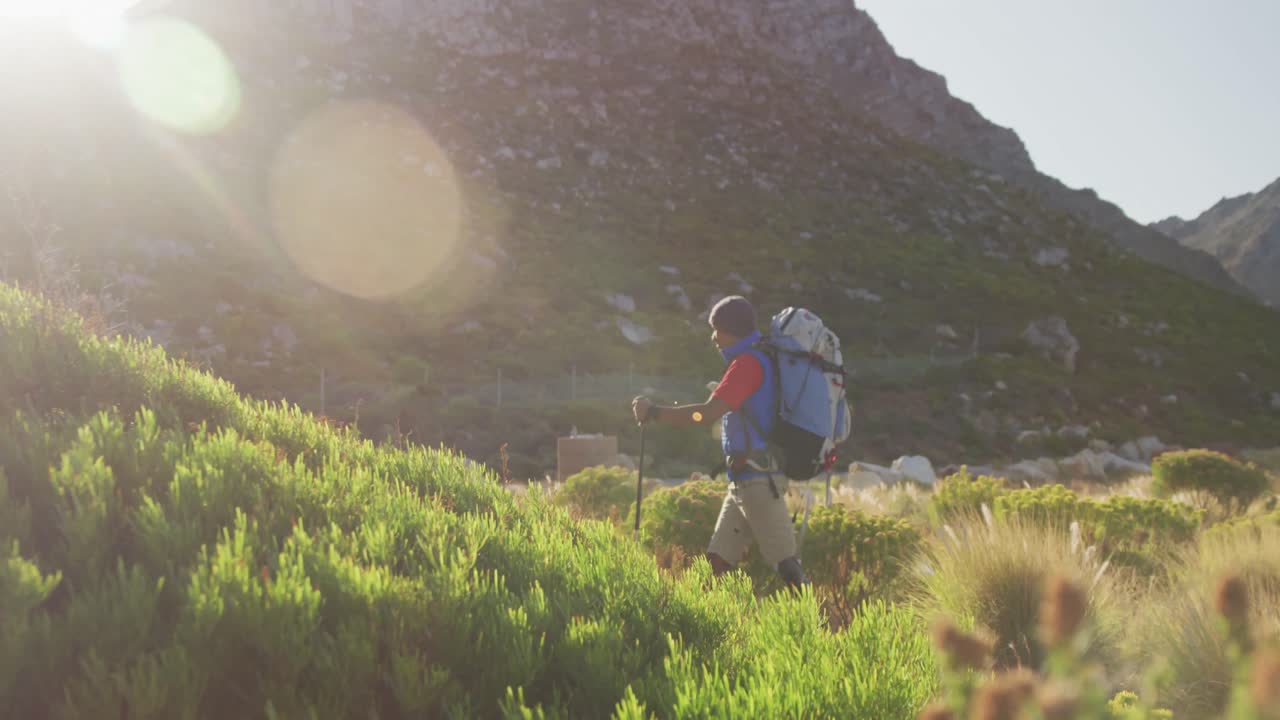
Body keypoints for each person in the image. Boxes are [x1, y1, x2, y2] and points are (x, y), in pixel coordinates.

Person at [631, 295, 808, 591]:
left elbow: (706, 414)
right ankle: (716, 628)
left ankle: (816, 628)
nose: (713, 337)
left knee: (786, 564)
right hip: (744, 480)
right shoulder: (755, 357)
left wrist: (655, 413)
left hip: (759, 482)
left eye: (717, 329)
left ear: (731, 329)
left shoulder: (748, 363)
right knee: (717, 562)